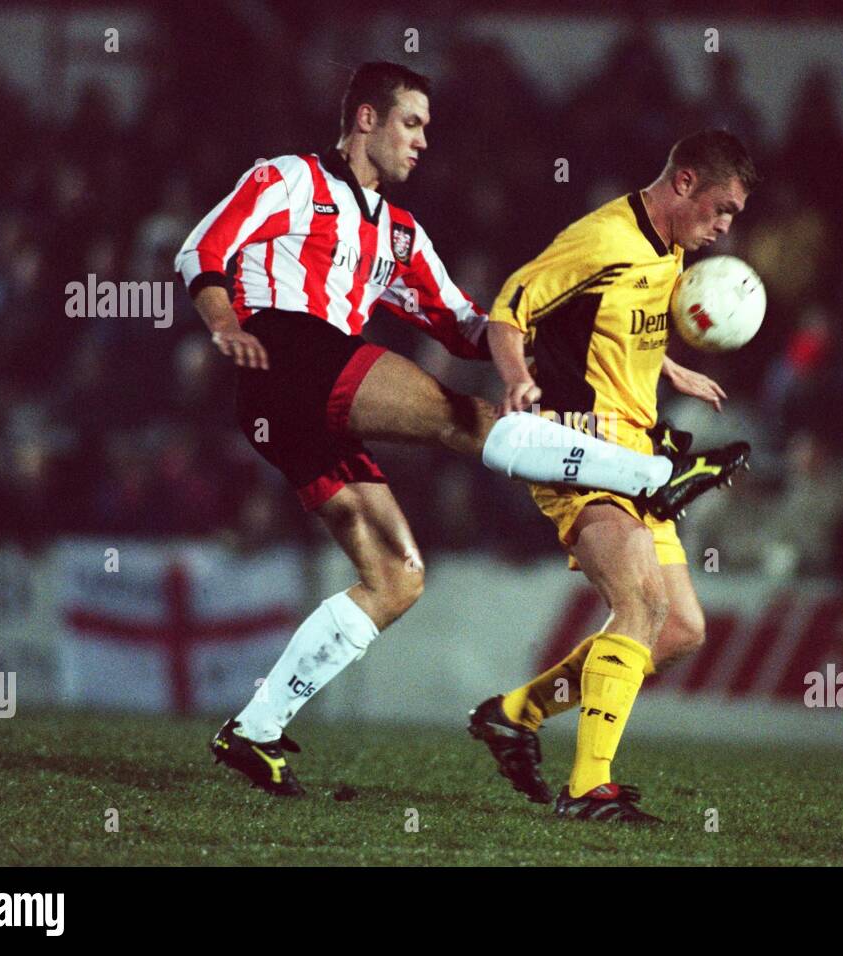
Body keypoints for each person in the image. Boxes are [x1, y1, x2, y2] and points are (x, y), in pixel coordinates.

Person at [178, 62, 745, 795]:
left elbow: (469, 325)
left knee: (398, 578)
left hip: (300, 402)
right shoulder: (291, 179)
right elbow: (201, 247)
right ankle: (657, 475)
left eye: (427, 129)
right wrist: (224, 323)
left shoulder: (402, 236)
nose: (422, 142)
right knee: (465, 419)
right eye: (410, 124)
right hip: (286, 352)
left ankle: (252, 731)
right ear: (366, 120)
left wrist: (625, 347)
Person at [468, 130, 757, 822]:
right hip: (582, 449)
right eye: (721, 210)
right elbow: (510, 309)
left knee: (681, 629)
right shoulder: (603, 237)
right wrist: (517, 384)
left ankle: (516, 713)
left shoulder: (670, 251)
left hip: (640, 452)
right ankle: (587, 788)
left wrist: (668, 367)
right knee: (637, 604)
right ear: (683, 182)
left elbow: (609, 320)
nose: (722, 229)